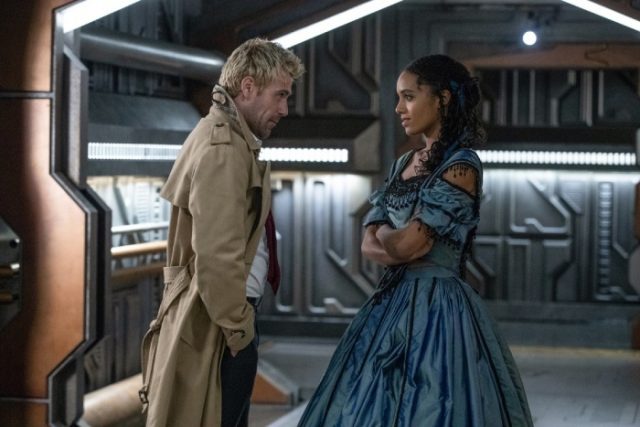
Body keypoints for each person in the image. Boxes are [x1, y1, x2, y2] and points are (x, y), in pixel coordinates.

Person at [298, 55, 533, 426]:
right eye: (398, 97)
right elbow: (369, 246)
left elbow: (408, 245)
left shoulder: (462, 165)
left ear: (442, 99)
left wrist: (386, 235)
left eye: (408, 96)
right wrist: (397, 241)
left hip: (440, 309)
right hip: (391, 302)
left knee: (434, 403)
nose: (398, 108)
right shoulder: (402, 163)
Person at [139, 38, 304, 427]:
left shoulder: (229, 138)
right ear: (247, 87)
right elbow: (217, 253)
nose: (284, 109)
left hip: (219, 316)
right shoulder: (224, 147)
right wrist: (239, 329)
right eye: (280, 95)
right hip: (218, 321)